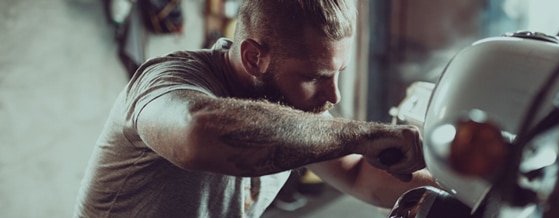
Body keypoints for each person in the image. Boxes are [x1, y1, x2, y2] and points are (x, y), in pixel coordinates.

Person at [73, 0, 436, 217]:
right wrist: (362, 134)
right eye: (315, 76)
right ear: (253, 57)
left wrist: (466, 185)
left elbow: (359, 172)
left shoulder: (292, 103)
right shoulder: (167, 80)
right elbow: (197, 136)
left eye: (338, 73)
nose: (334, 95)